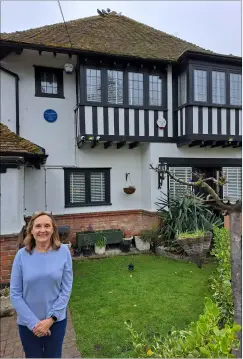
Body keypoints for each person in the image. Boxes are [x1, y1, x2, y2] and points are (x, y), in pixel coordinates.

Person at [10, 211, 73, 358]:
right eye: (38, 226)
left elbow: (66, 289)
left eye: (47, 225)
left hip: (56, 322)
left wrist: (51, 319)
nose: (42, 230)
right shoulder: (21, 255)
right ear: (31, 230)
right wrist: (34, 324)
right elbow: (15, 294)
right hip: (28, 324)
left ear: (53, 229)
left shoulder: (63, 252)